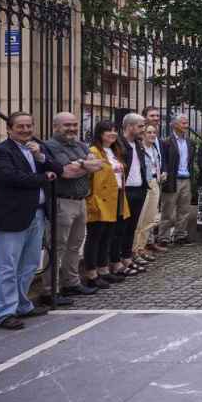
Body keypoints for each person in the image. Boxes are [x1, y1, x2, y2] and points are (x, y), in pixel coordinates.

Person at [0, 112, 61, 329]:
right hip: (11, 216)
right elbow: (11, 178)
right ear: (9, 129)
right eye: (20, 127)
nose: (26, 130)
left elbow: (58, 169)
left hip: (36, 214)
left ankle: (21, 305)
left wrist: (41, 159)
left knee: (28, 265)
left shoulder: (36, 148)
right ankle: (4, 313)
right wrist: (43, 177)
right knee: (7, 267)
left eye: (29, 126)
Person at [45, 112, 103, 300]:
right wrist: (85, 164)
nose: (71, 128)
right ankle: (51, 289)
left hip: (80, 201)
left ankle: (72, 283)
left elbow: (99, 165)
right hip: (62, 201)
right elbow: (67, 172)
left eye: (74, 124)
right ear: (55, 127)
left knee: (75, 246)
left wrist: (80, 164)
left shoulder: (80, 144)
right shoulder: (50, 146)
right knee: (57, 246)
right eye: (66, 125)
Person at [82, 120, 130, 290]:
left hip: (115, 197)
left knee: (108, 235)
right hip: (99, 199)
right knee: (95, 236)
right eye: (108, 131)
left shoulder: (114, 151)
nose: (112, 133)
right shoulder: (94, 151)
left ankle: (104, 269)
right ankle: (91, 274)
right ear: (99, 133)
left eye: (114, 130)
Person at [117, 113, 148, 276]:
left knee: (132, 226)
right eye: (140, 126)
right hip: (125, 190)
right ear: (130, 126)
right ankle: (117, 259)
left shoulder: (138, 144)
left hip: (139, 188)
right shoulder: (119, 144)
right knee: (121, 227)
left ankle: (127, 257)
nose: (143, 129)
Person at [158, 113, 195, 246]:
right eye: (183, 123)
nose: (186, 125)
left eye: (186, 123)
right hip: (172, 179)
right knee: (168, 209)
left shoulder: (190, 142)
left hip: (186, 179)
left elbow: (190, 161)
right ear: (174, 125)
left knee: (184, 209)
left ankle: (180, 235)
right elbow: (164, 162)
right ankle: (163, 237)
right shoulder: (167, 142)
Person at [132, 124, 165, 261]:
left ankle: (141, 247)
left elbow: (157, 164)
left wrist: (161, 174)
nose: (152, 135)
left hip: (155, 183)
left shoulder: (155, 148)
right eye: (149, 132)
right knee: (140, 218)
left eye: (154, 132)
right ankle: (134, 249)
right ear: (143, 134)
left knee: (150, 218)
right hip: (144, 184)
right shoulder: (139, 149)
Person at [141, 106, 167, 253]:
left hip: (157, 180)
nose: (156, 118)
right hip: (145, 181)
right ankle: (140, 246)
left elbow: (161, 157)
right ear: (145, 116)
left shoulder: (158, 138)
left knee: (152, 215)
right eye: (152, 115)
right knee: (143, 216)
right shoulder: (142, 138)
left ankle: (149, 242)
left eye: (157, 115)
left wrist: (164, 170)